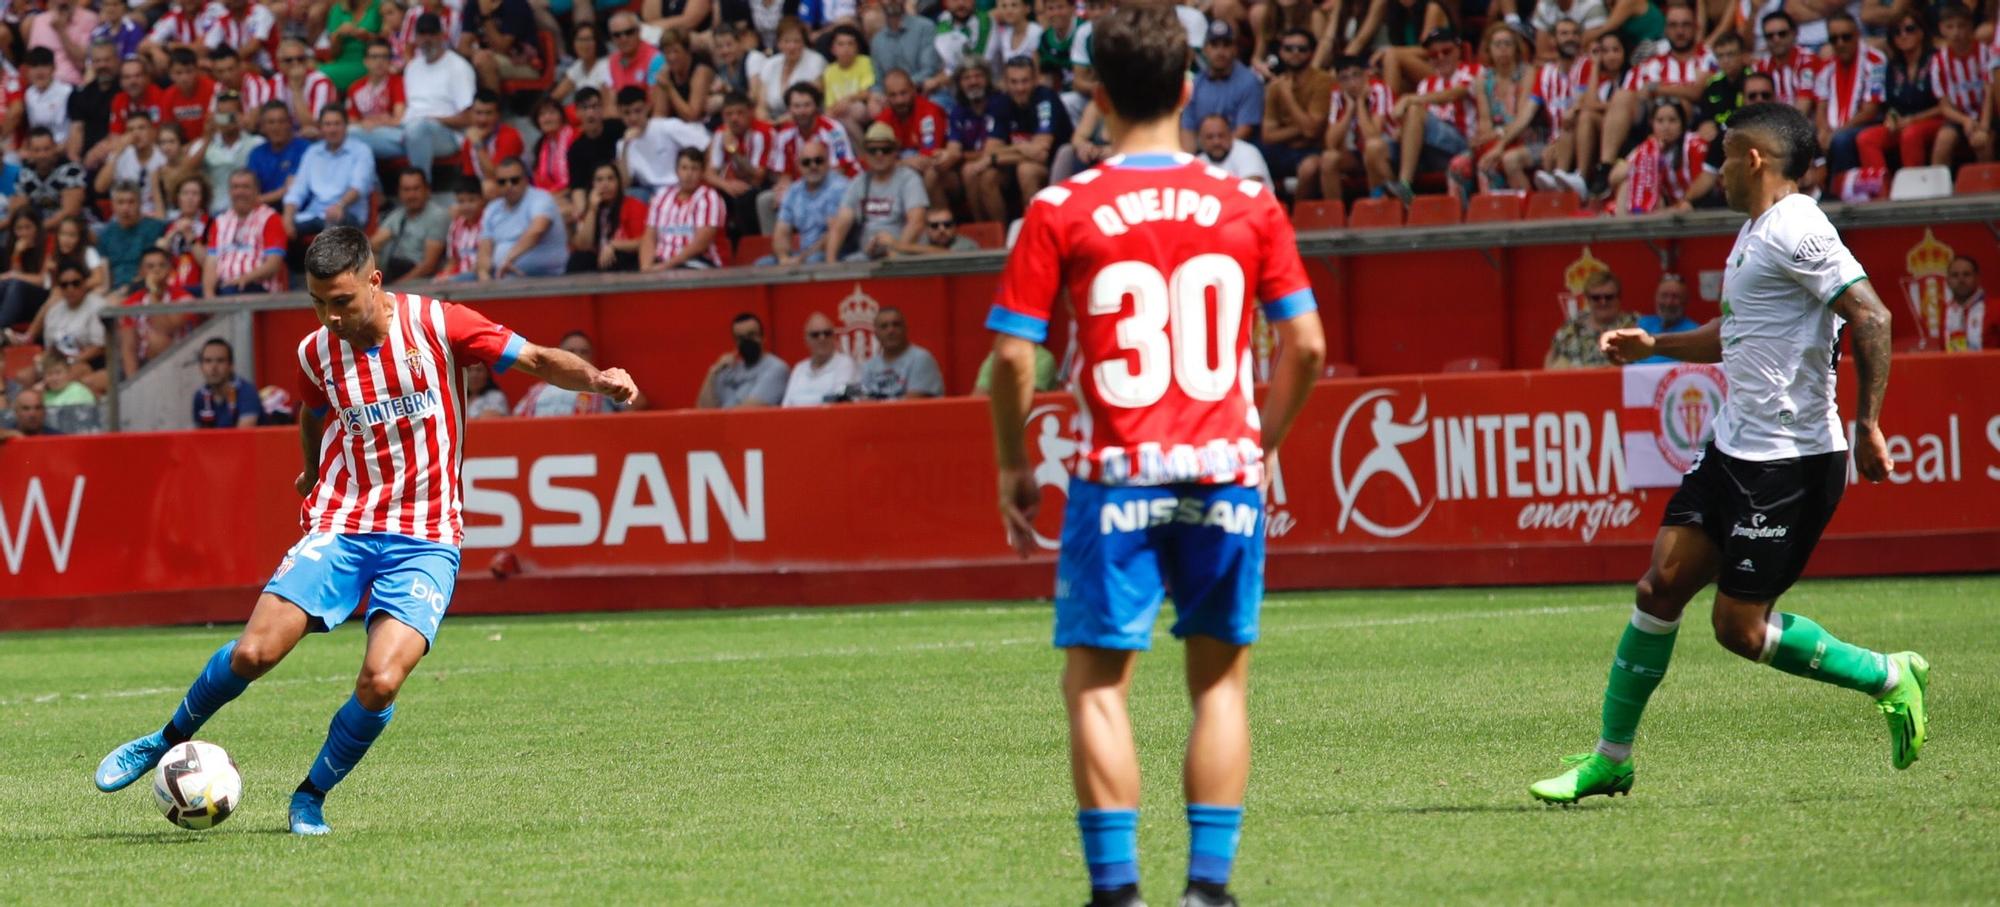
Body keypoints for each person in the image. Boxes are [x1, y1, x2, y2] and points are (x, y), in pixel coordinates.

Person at [91, 226, 639, 836]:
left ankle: (310, 797)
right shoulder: (315, 351)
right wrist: (310, 469)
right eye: (317, 303)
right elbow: (312, 409)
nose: (329, 317)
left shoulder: (439, 325)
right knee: (254, 652)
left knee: (380, 681)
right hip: (344, 521)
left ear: (374, 282)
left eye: (342, 302)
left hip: (427, 535)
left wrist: (597, 379)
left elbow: (535, 359)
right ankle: (163, 739)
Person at [984, 7, 1326, 905]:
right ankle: (1208, 891)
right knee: (1218, 682)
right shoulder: (1250, 201)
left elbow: (1015, 356)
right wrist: (1260, 443)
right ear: (1186, 90)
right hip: (1222, 470)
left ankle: (1117, 893)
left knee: (1097, 686)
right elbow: (1310, 347)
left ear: (1095, 94)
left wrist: (1013, 466)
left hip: (1118, 476)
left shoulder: (1060, 207)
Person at [1531, 102, 1925, 805]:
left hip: (1789, 462)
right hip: (1731, 447)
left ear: (1754, 159)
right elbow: (1734, 331)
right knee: (1659, 588)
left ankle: (1889, 676)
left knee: (1738, 629)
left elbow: (1871, 314)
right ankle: (1610, 758)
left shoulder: (1799, 225)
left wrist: (1868, 424)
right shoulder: (1755, 231)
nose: (1713, 167)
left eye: (1722, 153)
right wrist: (1657, 346)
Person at [971, 55, 1072, 220]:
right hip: (1018, 162)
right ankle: (1002, 237)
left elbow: (1041, 153)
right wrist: (1017, 149)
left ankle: (1035, 231)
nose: (1020, 88)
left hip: (1054, 165)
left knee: (1026, 170)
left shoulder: (1046, 99)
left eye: (1025, 81)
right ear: (1005, 82)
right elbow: (990, 150)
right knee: (987, 176)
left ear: (1035, 80)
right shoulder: (1000, 102)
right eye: (1014, 82)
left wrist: (996, 157)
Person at [825, 122, 928, 262]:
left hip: (904, 256)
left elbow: (916, 222)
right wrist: (830, 264)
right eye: (873, 150)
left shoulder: (909, 179)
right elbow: (841, 225)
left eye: (885, 149)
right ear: (865, 154)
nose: (879, 155)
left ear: (895, 152)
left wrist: (896, 253)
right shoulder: (858, 182)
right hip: (867, 256)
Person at [394, 14, 479, 180]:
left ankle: (421, 191)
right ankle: (380, 200)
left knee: (417, 129)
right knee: (356, 135)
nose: (427, 39)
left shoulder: (458, 67)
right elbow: (407, 111)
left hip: (447, 135)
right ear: (416, 38)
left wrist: (430, 119)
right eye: (422, 34)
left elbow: (470, 118)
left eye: (432, 33)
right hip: (407, 129)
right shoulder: (412, 67)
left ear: (442, 35)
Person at [1261, 28, 1333, 200]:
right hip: (1281, 150)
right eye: (1289, 48)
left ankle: (1297, 218)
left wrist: (1288, 97)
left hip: (1313, 149)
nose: (1295, 53)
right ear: (1280, 52)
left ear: (1312, 52)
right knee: (1251, 163)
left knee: (1309, 168)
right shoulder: (1275, 86)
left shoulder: (1322, 81)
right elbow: (1268, 136)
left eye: (1302, 49)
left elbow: (1312, 132)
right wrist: (1300, 128)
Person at [283, 108, 376, 238]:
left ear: (346, 126)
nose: (332, 129)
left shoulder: (361, 151)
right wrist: (287, 218)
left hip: (346, 214)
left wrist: (340, 205)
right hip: (314, 214)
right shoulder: (313, 152)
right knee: (277, 226)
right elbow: (298, 189)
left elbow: (359, 187)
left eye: (337, 124)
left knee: (333, 225)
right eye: (327, 124)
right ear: (321, 128)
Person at [511, 330, 648, 416]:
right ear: (559, 354)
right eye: (571, 351)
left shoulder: (602, 385)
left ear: (592, 357)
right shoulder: (538, 390)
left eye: (583, 351)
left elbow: (637, 401)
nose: (578, 355)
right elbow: (517, 419)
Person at [476, 158, 569, 279]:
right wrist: (483, 273)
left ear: (525, 180)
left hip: (542, 275)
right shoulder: (492, 208)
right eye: (502, 182)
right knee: (453, 283)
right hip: (501, 274)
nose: (508, 185)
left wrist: (508, 260)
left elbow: (537, 231)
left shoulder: (541, 199)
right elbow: (485, 247)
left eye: (514, 180)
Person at [761, 139, 849, 265]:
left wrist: (801, 259)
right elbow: (782, 232)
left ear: (828, 162)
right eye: (806, 162)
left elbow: (834, 233)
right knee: (764, 263)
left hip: (836, 253)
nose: (813, 166)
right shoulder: (794, 191)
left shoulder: (839, 187)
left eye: (818, 161)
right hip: (805, 254)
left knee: (813, 260)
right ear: (798, 166)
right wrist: (783, 258)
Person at [1322, 55, 1398, 199]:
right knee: (1328, 158)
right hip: (1358, 151)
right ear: (1338, 81)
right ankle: (1334, 214)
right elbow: (1330, 142)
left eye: (1356, 76)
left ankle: (1380, 199)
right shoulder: (1337, 95)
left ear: (1366, 74)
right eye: (1344, 79)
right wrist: (1350, 109)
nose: (1352, 83)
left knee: (1372, 147)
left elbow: (1373, 135)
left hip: (1388, 149)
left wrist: (1361, 104)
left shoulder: (1379, 89)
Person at [615, 85, 712, 196]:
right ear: (620, 114)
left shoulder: (666, 126)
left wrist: (706, 174)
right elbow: (625, 184)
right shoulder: (622, 145)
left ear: (647, 107)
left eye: (637, 111)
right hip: (649, 192)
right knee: (628, 195)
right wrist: (626, 146)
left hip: (678, 186)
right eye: (627, 113)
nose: (633, 117)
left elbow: (707, 143)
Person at [1180, 21, 1263, 151]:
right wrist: (1191, 159)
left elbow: (1245, 131)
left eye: (1226, 45)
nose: (1220, 51)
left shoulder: (1249, 81)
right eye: (1214, 45)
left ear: (1235, 49)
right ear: (1205, 49)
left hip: (1239, 151)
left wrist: (1215, 153)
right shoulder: (1196, 83)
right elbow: (1188, 130)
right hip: (1205, 153)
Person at [1926, 5, 1992, 167]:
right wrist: (1965, 120)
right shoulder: (1938, 61)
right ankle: (1940, 189)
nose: (1956, 32)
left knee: (1981, 141)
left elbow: (1989, 92)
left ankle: (1987, 187)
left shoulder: (1984, 53)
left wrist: (1984, 124)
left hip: (1985, 113)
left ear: (1970, 26)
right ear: (1941, 29)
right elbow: (1944, 105)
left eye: (1961, 26)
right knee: (1943, 141)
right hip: (1958, 116)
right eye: (1950, 27)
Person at [206, 170, 289, 296]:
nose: (240, 192)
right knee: (185, 296)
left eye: (246, 187)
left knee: (231, 292)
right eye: (235, 187)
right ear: (229, 191)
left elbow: (273, 265)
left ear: (257, 191)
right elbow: (211, 263)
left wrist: (242, 279)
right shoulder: (219, 221)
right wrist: (208, 295)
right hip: (224, 286)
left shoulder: (271, 218)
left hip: (257, 287)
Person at [642, 148, 727, 270]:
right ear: (677, 171)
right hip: (661, 262)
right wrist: (645, 269)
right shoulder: (662, 196)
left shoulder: (709, 198)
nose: (689, 174)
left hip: (698, 264)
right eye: (684, 168)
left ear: (702, 172)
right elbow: (649, 237)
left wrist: (664, 267)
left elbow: (700, 245)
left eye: (694, 168)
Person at [706, 92, 774, 240]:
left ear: (751, 112)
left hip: (766, 184)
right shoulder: (721, 132)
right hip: (733, 183)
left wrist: (733, 151)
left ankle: (751, 244)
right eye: (728, 114)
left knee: (746, 198)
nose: (734, 119)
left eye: (739, 113)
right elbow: (709, 173)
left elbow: (758, 177)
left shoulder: (762, 132)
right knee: (710, 195)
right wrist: (725, 185)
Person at [370, 168, 450, 283]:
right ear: (399, 192)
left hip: (421, 278)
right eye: (406, 190)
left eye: (416, 189)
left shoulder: (437, 216)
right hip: (392, 270)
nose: (411, 195)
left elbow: (429, 265)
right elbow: (373, 244)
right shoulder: (397, 215)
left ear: (427, 190)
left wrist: (397, 286)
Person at [696, 313, 788, 408]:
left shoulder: (775, 369)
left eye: (751, 335)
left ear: (762, 338)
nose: (746, 341)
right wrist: (713, 372)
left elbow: (747, 412)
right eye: (740, 338)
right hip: (723, 421)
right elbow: (703, 409)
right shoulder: (726, 369)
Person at [1546, 270, 1637, 366]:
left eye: (1609, 297)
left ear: (1618, 298)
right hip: (1577, 380)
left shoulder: (1635, 324)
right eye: (1596, 298)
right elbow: (1551, 360)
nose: (1603, 302)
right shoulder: (1571, 328)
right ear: (1587, 299)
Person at [572, 163, 648, 273]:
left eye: (610, 179)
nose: (605, 184)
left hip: (624, 258)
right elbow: (583, 246)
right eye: (599, 180)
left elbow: (643, 241)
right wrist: (592, 210)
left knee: (615, 258)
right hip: (598, 259)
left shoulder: (633, 205)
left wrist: (614, 245)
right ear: (592, 184)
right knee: (578, 259)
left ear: (618, 182)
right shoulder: (589, 208)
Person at [857, 306, 942, 399]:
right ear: (876, 334)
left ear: (905, 328)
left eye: (896, 324)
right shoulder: (870, 365)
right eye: (884, 326)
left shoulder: (921, 359)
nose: (891, 331)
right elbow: (863, 401)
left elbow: (914, 403)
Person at [200, 93, 264, 216]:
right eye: (221, 115)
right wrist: (207, 138)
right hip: (216, 212)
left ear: (240, 115)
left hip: (251, 212)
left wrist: (247, 127)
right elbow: (185, 171)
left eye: (230, 115)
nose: (225, 119)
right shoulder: (206, 146)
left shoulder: (257, 143)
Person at [11, 128, 88, 224]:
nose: (42, 155)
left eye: (46, 149)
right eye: (37, 150)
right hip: (36, 229)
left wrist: (38, 230)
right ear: (30, 152)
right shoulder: (24, 173)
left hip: (76, 228)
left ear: (55, 148)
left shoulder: (72, 170)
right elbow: (19, 211)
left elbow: (70, 212)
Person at [99, 182, 167, 290]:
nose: (126, 208)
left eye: (131, 202)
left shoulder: (155, 228)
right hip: (115, 291)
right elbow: (105, 276)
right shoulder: (106, 234)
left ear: (140, 203)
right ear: (113, 205)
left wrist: (128, 289)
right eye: (120, 202)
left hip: (146, 287)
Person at [781, 311, 858, 406]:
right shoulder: (799, 368)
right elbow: (786, 405)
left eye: (827, 333)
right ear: (806, 339)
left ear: (834, 336)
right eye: (815, 335)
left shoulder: (845, 364)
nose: (822, 338)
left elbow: (838, 403)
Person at [246, 102, 308, 210]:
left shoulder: (304, 149)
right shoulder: (256, 153)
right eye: (271, 122)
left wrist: (258, 200)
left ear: (290, 124)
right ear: (263, 127)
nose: (276, 127)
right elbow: (251, 190)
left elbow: (292, 189)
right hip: (262, 212)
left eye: (281, 121)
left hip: (298, 212)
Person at [460, 90, 527, 190]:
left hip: (517, 190)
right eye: (478, 113)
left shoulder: (510, 136)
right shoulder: (470, 140)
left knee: (489, 187)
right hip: (490, 193)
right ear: (471, 114)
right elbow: (470, 180)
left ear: (498, 115)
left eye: (489, 113)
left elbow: (498, 177)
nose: (483, 119)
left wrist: (478, 144)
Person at [192, 338, 263, 428]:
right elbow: (199, 436)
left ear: (231, 365)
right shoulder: (200, 396)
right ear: (201, 366)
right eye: (208, 361)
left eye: (220, 360)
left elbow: (243, 437)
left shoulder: (246, 392)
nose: (214, 367)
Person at [1634, 273, 1698, 363]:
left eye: (1675, 297)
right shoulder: (1643, 324)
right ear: (1656, 298)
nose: (1668, 303)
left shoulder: (1694, 332)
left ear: (1685, 301)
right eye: (1664, 296)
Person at [1197, 114, 1272, 184]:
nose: (1216, 142)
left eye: (1221, 135)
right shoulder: (1199, 162)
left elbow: (1250, 188)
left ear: (1231, 134)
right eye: (1210, 137)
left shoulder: (1247, 152)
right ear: (1200, 140)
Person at [1940, 255, 1989, 351]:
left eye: (1966, 274)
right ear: (1948, 281)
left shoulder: (1996, 308)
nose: (1961, 280)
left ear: (1977, 278)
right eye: (1955, 275)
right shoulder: (1946, 311)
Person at [898, 210, 980, 255]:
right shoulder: (920, 242)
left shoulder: (968, 245)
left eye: (947, 224)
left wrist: (905, 247)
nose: (942, 229)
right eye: (934, 225)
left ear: (954, 227)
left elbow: (949, 255)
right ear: (926, 229)